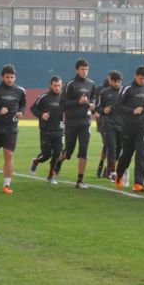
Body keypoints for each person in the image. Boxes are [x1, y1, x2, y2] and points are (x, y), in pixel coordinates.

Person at [53, 59, 97, 189]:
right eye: (82, 69)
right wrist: (78, 102)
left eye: (86, 69)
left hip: (85, 121)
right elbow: (63, 104)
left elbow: (93, 98)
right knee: (68, 152)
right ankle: (59, 161)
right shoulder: (70, 84)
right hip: (72, 122)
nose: (85, 72)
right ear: (77, 70)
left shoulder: (91, 84)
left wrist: (92, 104)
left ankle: (80, 180)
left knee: (84, 150)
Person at [0, 64, 26, 194]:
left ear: (15, 77)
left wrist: (21, 112)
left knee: (9, 154)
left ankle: (6, 185)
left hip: (11, 129)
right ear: (2, 77)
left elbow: (23, 104)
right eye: (7, 77)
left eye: (12, 77)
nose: (10, 80)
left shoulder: (20, 91)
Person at [115, 66, 144, 192]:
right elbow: (118, 107)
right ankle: (119, 176)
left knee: (141, 154)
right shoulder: (127, 89)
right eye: (141, 78)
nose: (143, 81)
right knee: (127, 154)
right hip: (128, 127)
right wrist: (132, 111)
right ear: (135, 76)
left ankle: (138, 183)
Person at [30, 76, 64, 184]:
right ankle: (36, 161)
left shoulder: (64, 98)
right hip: (46, 131)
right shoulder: (44, 97)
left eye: (59, 85)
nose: (57, 88)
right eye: (55, 85)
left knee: (57, 155)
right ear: (51, 85)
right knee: (47, 154)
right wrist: (41, 115)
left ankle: (50, 177)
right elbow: (33, 108)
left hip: (59, 131)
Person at [96, 70, 124, 183]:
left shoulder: (124, 93)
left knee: (118, 150)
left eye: (119, 82)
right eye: (115, 82)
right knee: (111, 148)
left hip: (122, 126)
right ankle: (112, 173)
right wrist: (104, 110)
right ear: (110, 81)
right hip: (108, 125)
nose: (117, 84)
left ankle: (108, 169)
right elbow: (98, 108)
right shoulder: (104, 93)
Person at [95, 75, 111, 178]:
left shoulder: (117, 89)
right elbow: (96, 103)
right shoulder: (100, 89)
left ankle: (103, 168)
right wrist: (98, 112)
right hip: (103, 120)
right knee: (108, 144)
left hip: (114, 121)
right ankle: (104, 169)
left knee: (108, 145)